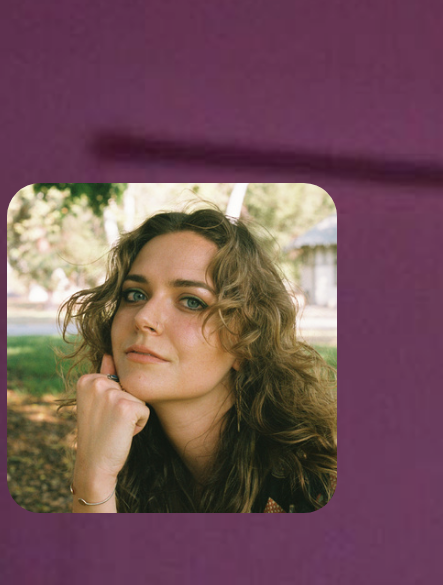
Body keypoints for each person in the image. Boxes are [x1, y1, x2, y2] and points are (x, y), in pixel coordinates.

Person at [60, 208, 337, 512]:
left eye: (192, 301)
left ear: (246, 342)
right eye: (135, 295)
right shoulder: (132, 462)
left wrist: (93, 481)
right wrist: (95, 474)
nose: (143, 317)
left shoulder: (318, 483)